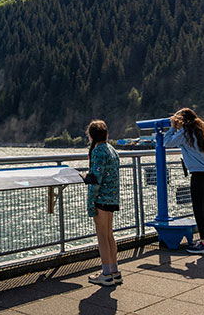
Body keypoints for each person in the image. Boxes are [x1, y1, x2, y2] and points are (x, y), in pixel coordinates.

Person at [163, 108, 204, 255]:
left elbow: (167, 143)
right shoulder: (198, 130)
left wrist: (172, 128)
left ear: (183, 121)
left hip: (199, 173)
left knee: (199, 208)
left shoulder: (185, 132)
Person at [82, 120, 122, 286]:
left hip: (101, 199)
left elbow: (96, 181)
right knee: (109, 235)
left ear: (91, 136)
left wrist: (90, 202)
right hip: (112, 198)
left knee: (102, 236)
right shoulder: (111, 149)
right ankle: (115, 271)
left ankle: (106, 274)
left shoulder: (98, 151)